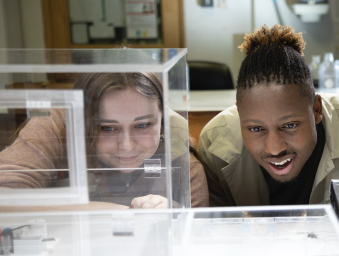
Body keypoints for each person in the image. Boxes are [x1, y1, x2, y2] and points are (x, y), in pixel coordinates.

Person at [198, 24, 339, 207]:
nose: (275, 148)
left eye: (290, 126)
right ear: (239, 113)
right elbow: (219, 235)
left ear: (316, 110)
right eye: (256, 129)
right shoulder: (214, 143)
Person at [0, 72, 209, 208]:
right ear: (81, 121)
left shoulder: (184, 169)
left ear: (162, 119)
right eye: (107, 128)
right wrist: (119, 212)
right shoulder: (57, 126)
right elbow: (5, 196)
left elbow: (199, 246)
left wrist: (175, 215)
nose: (126, 146)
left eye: (142, 125)